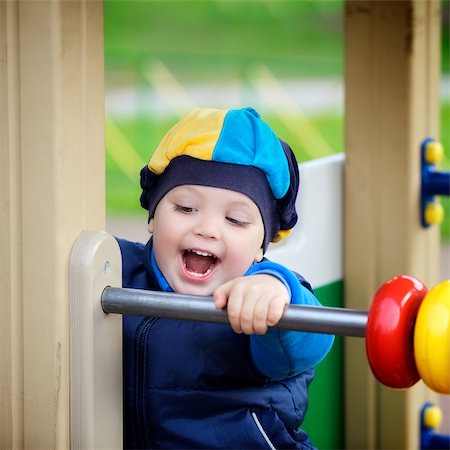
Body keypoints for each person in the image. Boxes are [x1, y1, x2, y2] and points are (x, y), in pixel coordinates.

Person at [117, 107, 334, 449]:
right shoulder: (118, 271)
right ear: (153, 218)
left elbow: (312, 340)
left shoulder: (263, 291)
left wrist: (276, 295)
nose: (207, 229)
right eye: (186, 209)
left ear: (261, 247)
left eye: (235, 220)